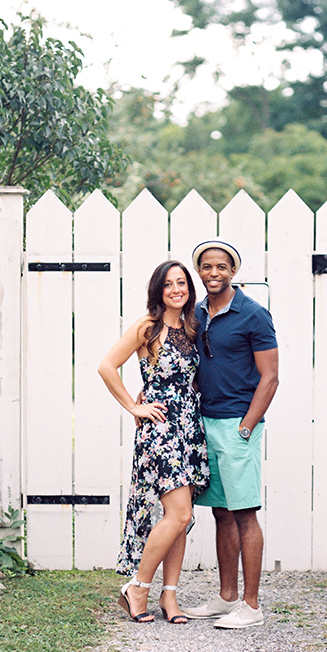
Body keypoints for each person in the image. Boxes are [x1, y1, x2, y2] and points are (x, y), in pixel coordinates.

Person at [98, 260, 209, 624]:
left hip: (189, 427)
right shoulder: (148, 328)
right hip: (160, 429)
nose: (177, 289)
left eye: (182, 283)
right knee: (179, 513)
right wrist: (134, 404)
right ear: (158, 291)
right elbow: (107, 366)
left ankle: (170, 598)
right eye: (169, 284)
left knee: (181, 519)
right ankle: (138, 587)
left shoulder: (192, 328)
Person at [180, 239, 279, 629]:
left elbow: (270, 378)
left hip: (238, 424)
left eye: (222, 267)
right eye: (206, 267)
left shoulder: (253, 315)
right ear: (199, 271)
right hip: (205, 422)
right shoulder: (197, 313)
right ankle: (226, 598)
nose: (214, 273)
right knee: (221, 512)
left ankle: (251, 606)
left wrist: (247, 426)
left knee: (243, 512)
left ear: (233, 271)